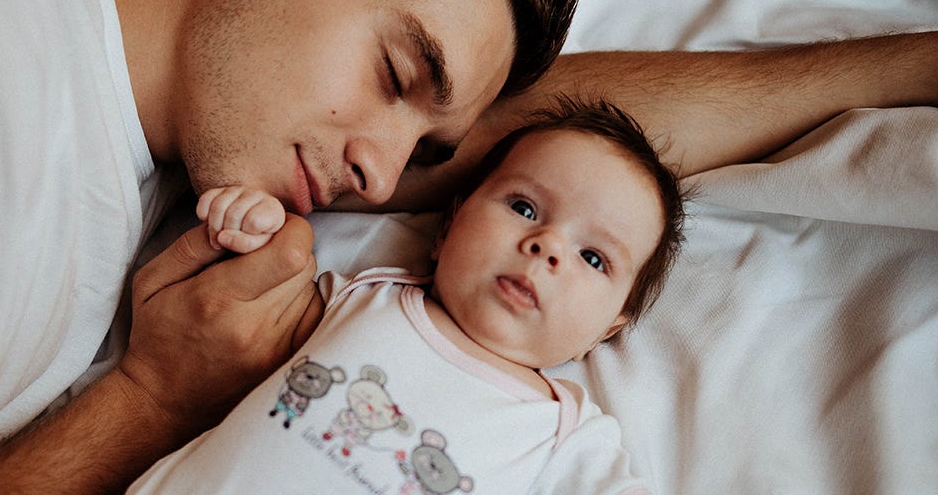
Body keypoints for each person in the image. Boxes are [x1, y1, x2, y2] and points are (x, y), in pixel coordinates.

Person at [0, 0, 938, 493]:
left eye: (427, 149)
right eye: (400, 73)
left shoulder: (194, 161)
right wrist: (151, 400)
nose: (384, 175)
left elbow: (566, 162)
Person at [129, 100, 681, 493]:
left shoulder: (565, 434)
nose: (547, 246)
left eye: (593, 258)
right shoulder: (363, 298)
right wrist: (254, 226)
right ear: (448, 228)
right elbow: (242, 321)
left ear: (611, 325)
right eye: (524, 208)